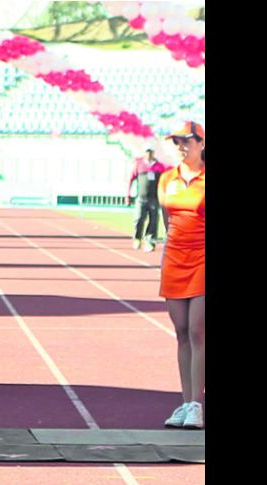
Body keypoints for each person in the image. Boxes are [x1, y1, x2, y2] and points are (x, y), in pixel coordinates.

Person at [157, 121, 205, 429]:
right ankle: (186, 402)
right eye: (177, 142)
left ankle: (197, 406)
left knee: (198, 331)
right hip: (174, 259)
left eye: (187, 141)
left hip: (203, 259)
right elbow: (167, 221)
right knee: (181, 333)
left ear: (201, 143)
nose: (181, 146)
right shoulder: (166, 180)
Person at [126, 146, 169, 252]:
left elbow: (164, 181)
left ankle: (150, 241)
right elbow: (130, 179)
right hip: (141, 197)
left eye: (150, 152)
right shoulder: (139, 165)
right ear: (144, 152)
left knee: (153, 220)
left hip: (154, 198)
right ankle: (137, 238)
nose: (149, 154)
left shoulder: (159, 166)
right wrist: (128, 194)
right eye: (147, 151)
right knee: (139, 218)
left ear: (153, 153)